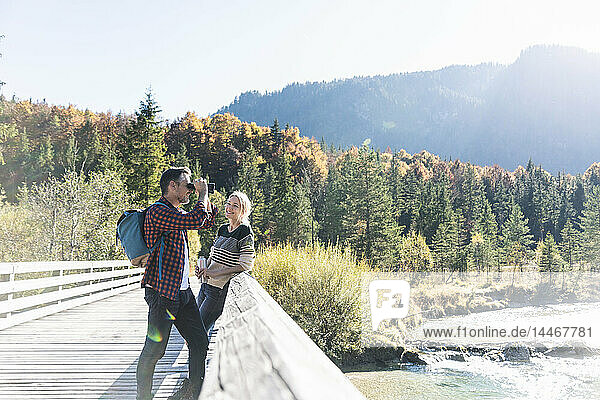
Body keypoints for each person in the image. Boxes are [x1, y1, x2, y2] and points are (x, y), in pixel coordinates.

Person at [136, 167, 218, 400]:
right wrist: (202, 195)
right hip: (162, 293)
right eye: (187, 186)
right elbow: (194, 219)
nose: (190, 191)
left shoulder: (175, 213)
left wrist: (206, 198)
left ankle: (192, 393)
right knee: (154, 350)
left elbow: (204, 223)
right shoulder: (158, 212)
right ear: (172, 186)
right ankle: (143, 397)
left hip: (182, 293)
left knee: (199, 341)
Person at [196, 191, 255, 336]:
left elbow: (245, 265)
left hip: (219, 290)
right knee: (195, 329)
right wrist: (203, 268)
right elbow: (213, 255)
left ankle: (197, 358)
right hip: (205, 285)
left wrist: (214, 273)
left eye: (235, 205)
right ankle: (198, 357)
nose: (229, 207)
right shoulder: (222, 229)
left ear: (244, 210)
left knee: (198, 332)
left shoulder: (244, 231)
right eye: (228, 203)